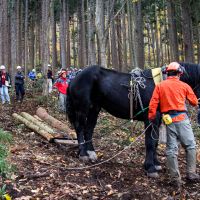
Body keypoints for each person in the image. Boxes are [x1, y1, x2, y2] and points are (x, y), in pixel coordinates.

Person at [148, 62, 199, 188]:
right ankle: (191, 174)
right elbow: (193, 102)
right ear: (180, 73)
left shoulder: (160, 86)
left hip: (168, 121)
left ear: (167, 73)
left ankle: (175, 179)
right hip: (182, 120)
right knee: (191, 146)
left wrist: (151, 117)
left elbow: (153, 103)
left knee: (171, 150)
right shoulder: (185, 85)